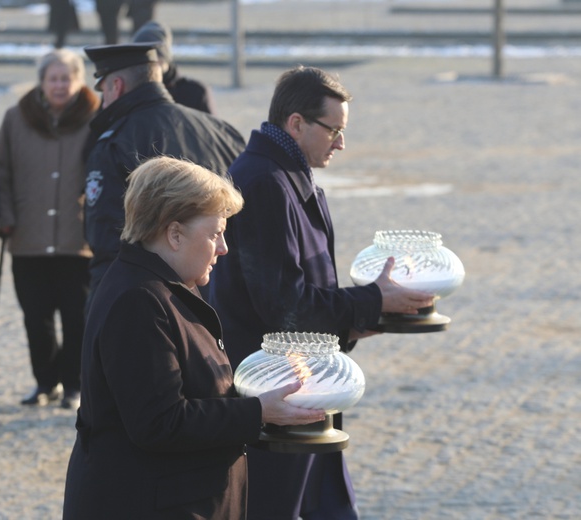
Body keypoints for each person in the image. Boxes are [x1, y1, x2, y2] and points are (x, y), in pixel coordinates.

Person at [208, 66, 435, 519]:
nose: (341, 142)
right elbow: (284, 306)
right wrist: (372, 301)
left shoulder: (289, 176)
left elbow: (306, 295)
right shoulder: (265, 184)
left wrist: (358, 320)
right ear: (296, 123)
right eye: (334, 129)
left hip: (307, 389)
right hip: (278, 393)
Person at [63, 156, 325, 519]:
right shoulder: (139, 300)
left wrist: (267, 383)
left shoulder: (165, 285)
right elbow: (159, 423)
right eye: (215, 233)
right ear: (174, 233)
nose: (223, 248)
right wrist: (259, 410)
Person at [82, 42, 245, 296]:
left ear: (116, 86)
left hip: (154, 297)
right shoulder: (221, 130)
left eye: (103, 90)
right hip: (226, 296)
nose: (103, 103)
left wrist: (102, 306)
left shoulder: (114, 143)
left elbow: (108, 241)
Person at [0, 49, 100, 410]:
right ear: (42, 82)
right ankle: (45, 382)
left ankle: (74, 384)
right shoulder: (16, 118)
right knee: (35, 320)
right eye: (53, 78)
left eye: (66, 78)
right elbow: (0, 171)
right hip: (29, 238)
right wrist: (5, 215)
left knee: (76, 319)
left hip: (78, 241)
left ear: (78, 81)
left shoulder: (96, 118)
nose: (59, 85)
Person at [132, 20, 216, 114]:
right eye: (143, 59)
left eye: (155, 57)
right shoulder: (130, 92)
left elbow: (210, 127)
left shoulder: (195, 93)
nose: (150, 65)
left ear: (165, 58)